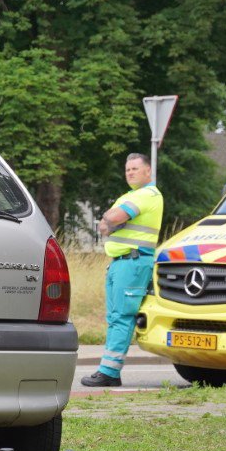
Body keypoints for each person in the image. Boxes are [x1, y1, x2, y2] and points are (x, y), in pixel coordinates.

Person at [81, 153, 163, 387]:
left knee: (122, 317)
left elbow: (112, 218)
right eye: (127, 169)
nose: (130, 173)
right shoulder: (130, 196)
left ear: (148, 171)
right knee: (114, 317)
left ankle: (109, 372)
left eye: (135, 169)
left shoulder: (148, 194)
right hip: (120, 262)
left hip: (133, 262)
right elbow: (103, 227)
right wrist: (113, 221)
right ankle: (108, 371)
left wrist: (113, 219)